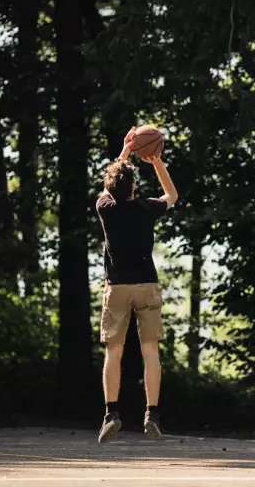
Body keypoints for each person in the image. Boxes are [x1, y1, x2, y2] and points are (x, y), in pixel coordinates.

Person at [96, 126, 178, 444]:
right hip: (147, 285)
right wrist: (156, 161)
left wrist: (125, 152)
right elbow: (171, 195)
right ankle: (152, 414)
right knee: (150, 350)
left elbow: (110, 186)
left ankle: (111, 413)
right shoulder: (146, 208)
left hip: (117, 287)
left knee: (113, 352)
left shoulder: (106, 208)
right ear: (133, 186)